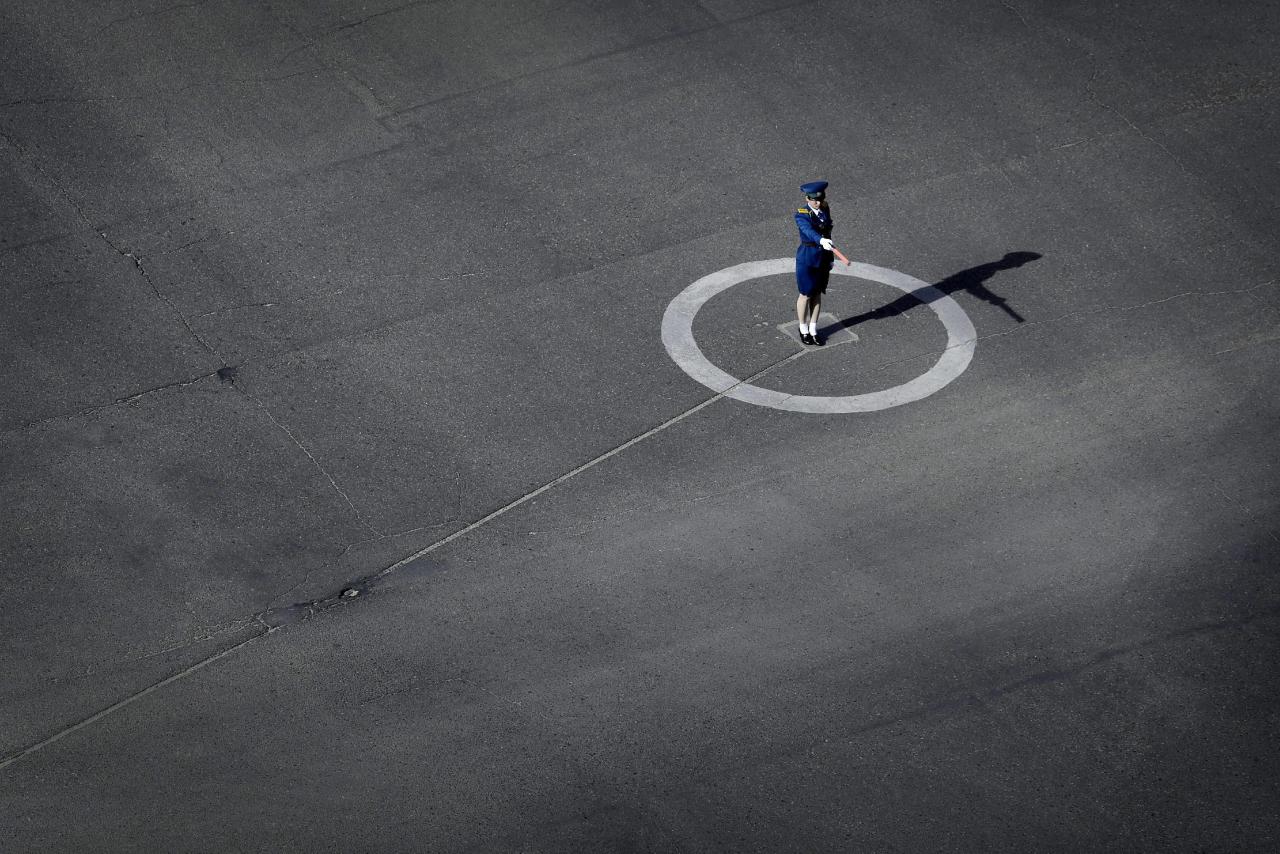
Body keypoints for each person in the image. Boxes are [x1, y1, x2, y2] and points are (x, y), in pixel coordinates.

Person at [794, 180, 835, 345]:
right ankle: (803, 328)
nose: (817, 202)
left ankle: (813, 328)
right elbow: (808, 231)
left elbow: (827, 229)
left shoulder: (825, 208)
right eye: (814, 200)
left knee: (817, 293)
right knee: (805, 294)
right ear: (807, 199)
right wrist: (821, 240)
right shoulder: (801, 214)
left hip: (823, 257)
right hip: (807, 257)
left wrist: (830, 256)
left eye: (820, 199)